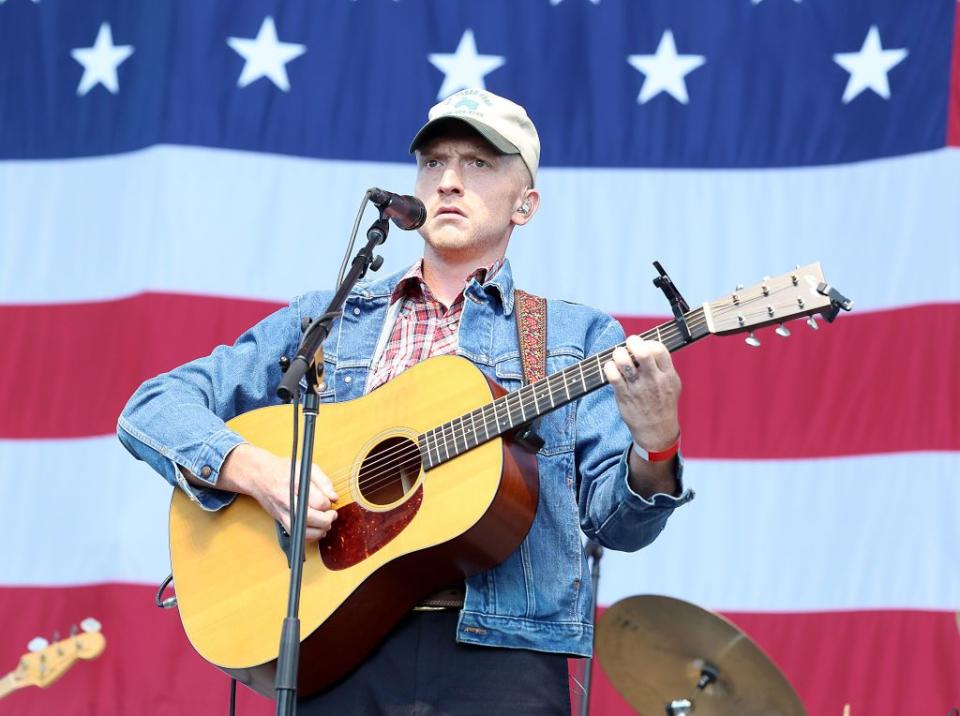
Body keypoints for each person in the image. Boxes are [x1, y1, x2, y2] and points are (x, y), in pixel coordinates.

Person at [118, 88, 693, 714]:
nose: (448, 181)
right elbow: (151, 407)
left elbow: (619, 526)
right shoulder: (328, 320)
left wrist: (655, 443)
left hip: (503, 659)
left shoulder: (574, 340)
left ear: (524, 204)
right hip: (336, 639)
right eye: (433, 162)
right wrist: (255, 470)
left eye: (478, 164)